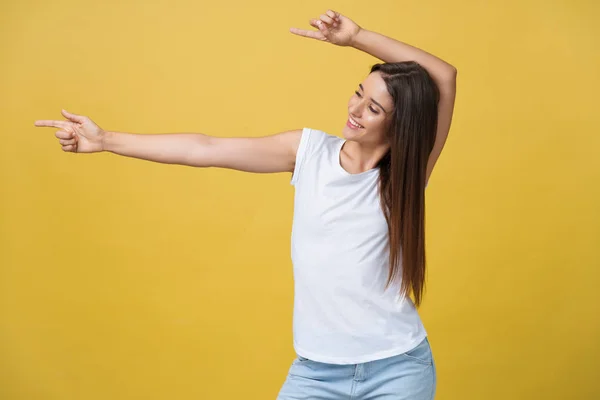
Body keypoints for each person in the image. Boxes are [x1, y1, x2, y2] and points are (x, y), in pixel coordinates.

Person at [34, 9, 456, 400]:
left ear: (399, 121)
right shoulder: (307, 152)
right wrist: (106, 140)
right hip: (316, 373)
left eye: (374, 107)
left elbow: (444, 76)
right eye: (359, 93)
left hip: (397, 369)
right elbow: (205, 148)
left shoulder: (405, 176)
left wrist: (359, 37)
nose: (355, 109)